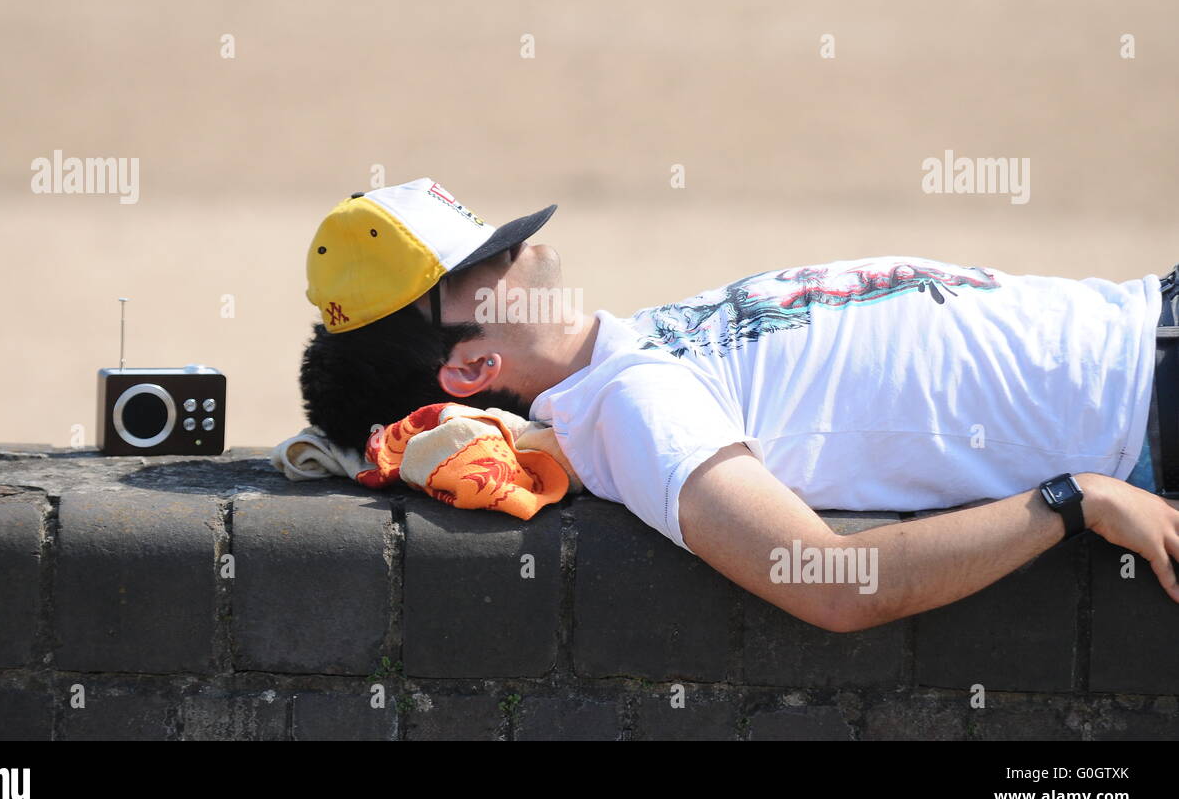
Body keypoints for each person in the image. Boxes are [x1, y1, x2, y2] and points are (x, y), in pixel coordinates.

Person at [300, 177, 1179, 632]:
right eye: (481, 261)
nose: (516, 245)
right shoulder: (629, 410)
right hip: (1145, 405)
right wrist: (1076, 500)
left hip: (1149, 314)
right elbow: (838, 586)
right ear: (470, 364)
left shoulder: (625, 354)